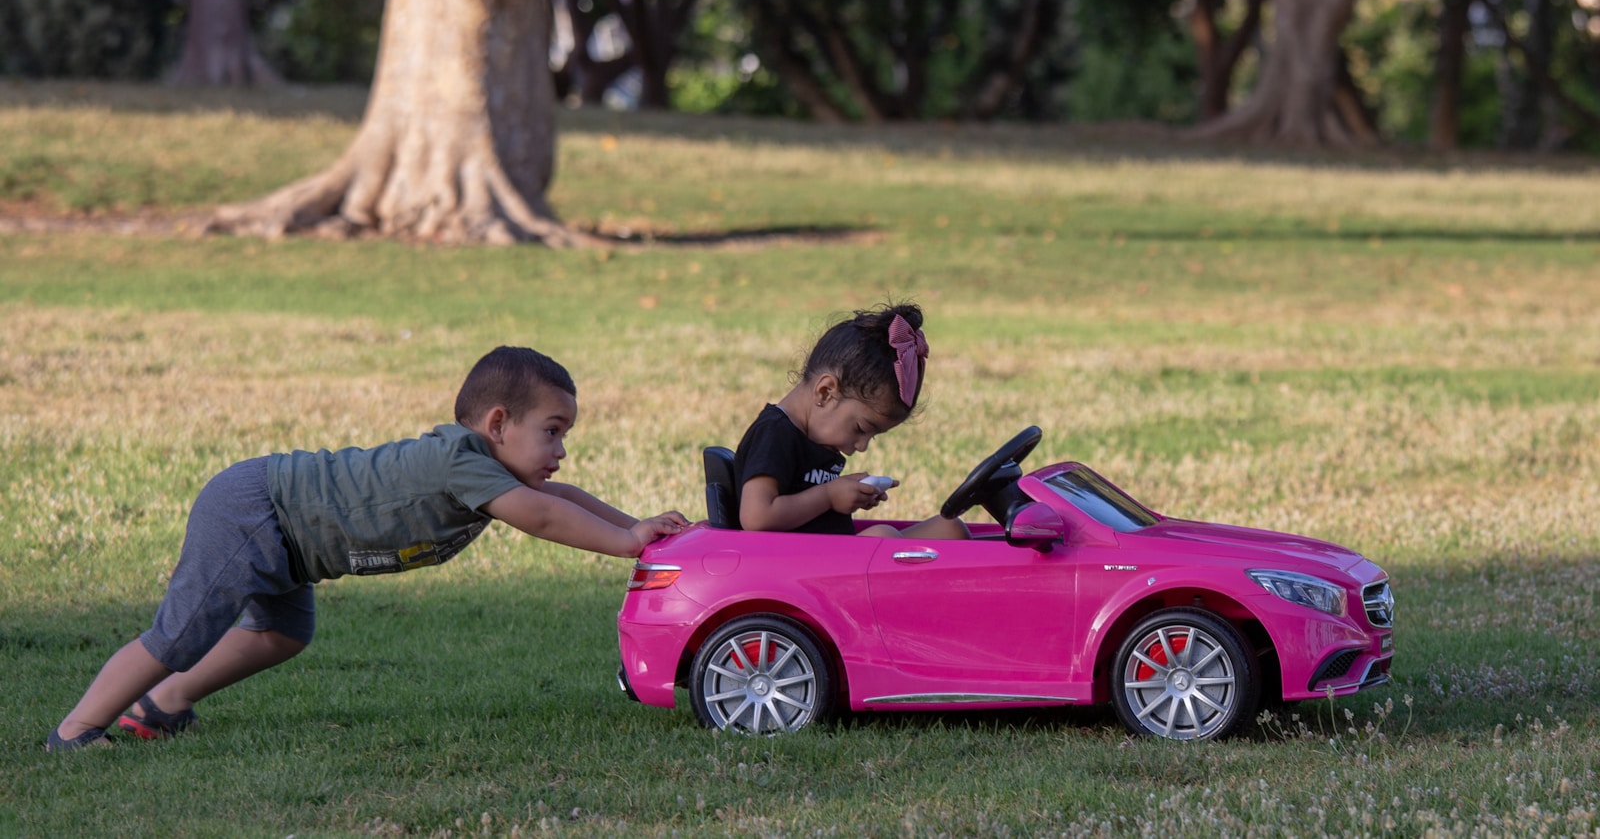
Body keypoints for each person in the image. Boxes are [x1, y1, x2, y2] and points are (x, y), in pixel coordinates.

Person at [47, 346, 687, 751]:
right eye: (551, 432)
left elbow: (563, 495)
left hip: (292, 540)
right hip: (257, 510)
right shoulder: (462, 462)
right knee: (182, 632)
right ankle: (75, 730)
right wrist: (624, 542)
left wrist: (638, 532)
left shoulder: (492, 469)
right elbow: (544, 517)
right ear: (497, 424)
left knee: (282, 634)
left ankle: (162, 704)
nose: (560, 450)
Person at [734, 303, 969, 539]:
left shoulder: (817, 436)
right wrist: (828, 496)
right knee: (883, 537)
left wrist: (847, 494)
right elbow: (757, 517)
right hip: (797, 565)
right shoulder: (775, 434)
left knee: (949, 527)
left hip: (833, 557)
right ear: (826, 392)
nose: (862, 446)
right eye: (861, 429)